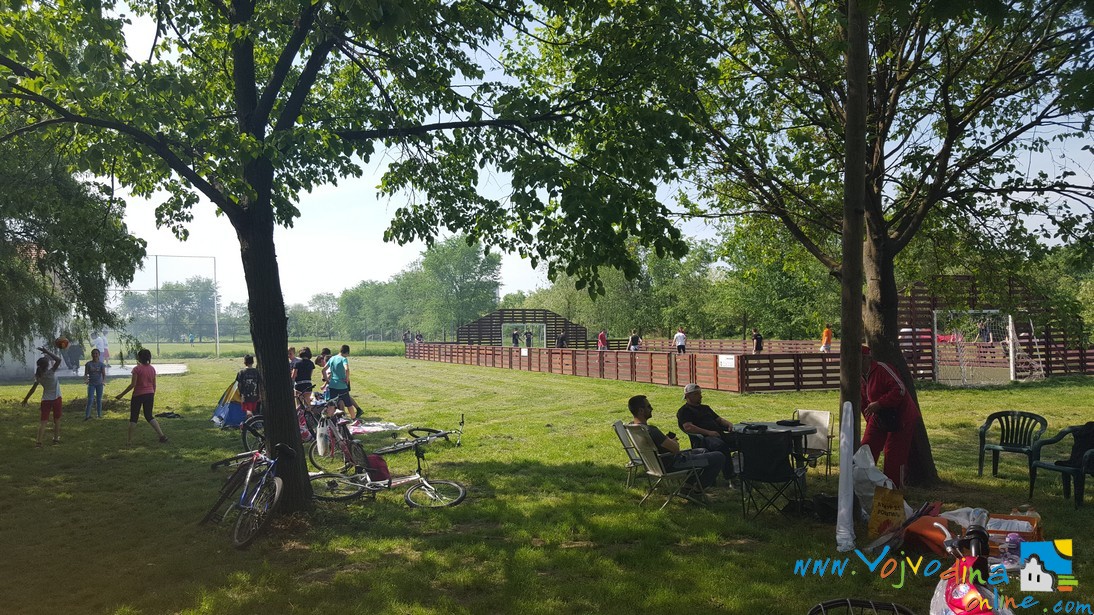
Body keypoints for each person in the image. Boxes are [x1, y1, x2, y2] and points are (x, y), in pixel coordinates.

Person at [629, 395, 725, 491]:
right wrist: (673, 441)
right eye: (649, 406)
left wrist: (666, 440)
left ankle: (688, 486)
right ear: (641, 410)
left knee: (703, 450)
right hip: (673, 464)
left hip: (655, 465)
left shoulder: (634, 428)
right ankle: (697, 490)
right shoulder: (651, 430)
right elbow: (675, 449)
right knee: (719, 456)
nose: (652, 408)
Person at [860, 346, 921, 488]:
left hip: (901, 416)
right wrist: (871, 420)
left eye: (860, 359)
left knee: (894, 455)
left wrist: (880, 404)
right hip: (878, 416)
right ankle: (863, 486)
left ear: (867, 358)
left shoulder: (882, 369)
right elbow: (863, 403)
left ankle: (892, 491)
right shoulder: (859, 378)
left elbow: (900, 389)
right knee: (866, 449)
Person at [676, 383, 737, 480]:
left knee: (745, 439)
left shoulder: (705, 408)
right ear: (687, 396)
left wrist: (729, 424)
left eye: (700, 393)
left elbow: (719, 420)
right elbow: (688, 427)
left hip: (719, 433)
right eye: (696, 394)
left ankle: (749, 472)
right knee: (721, 446)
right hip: (704, 439)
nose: (700, 396)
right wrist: (708, 433)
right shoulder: (684, 411)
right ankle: (730, 476)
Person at [115, 348, 168, 445]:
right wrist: (152, 393)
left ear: (139, 358)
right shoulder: (152, 369)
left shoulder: (137, 369)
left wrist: (121, 395)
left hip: (138, 395)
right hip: (150, 394)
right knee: (149, 416)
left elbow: (133, 385)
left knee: (134, 418)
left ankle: (129, 441)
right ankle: (162, 435)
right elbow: (154, 384)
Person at [22, 346, 63, 447]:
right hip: (57, 398)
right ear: (47, 365)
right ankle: (56, 439)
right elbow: (58, 360)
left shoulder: (39, 376)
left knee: (43, 422)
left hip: (46, 400)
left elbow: (32, 390)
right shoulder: (51, 372)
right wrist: (47, 351)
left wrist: (25, 399)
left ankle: (38, 442)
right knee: (57, 420)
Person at [324, 344, 359, 420]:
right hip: (341, 385)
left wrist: (327, 380)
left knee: (331, 404)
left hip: (332, 384)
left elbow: (323, 370)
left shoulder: (332, 358)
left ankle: (330, 419)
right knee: (348, 404)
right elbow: (346, 369)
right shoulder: (343, 359)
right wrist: (347, 378)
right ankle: (354, 419)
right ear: (346, 352)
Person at [84, 348, 107, 420]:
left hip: (99, 384)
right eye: (93, 353)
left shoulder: (101, 364)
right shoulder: (88, 364)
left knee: (99, 400)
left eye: (96, 353)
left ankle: (99, 415)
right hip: (91, 384)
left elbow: (104, 374)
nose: (95, 355)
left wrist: (103, 381)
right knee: (90, 399)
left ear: (99, 355)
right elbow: (85, 374)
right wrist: (86, 380)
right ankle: (87, 416)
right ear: (91, 355)